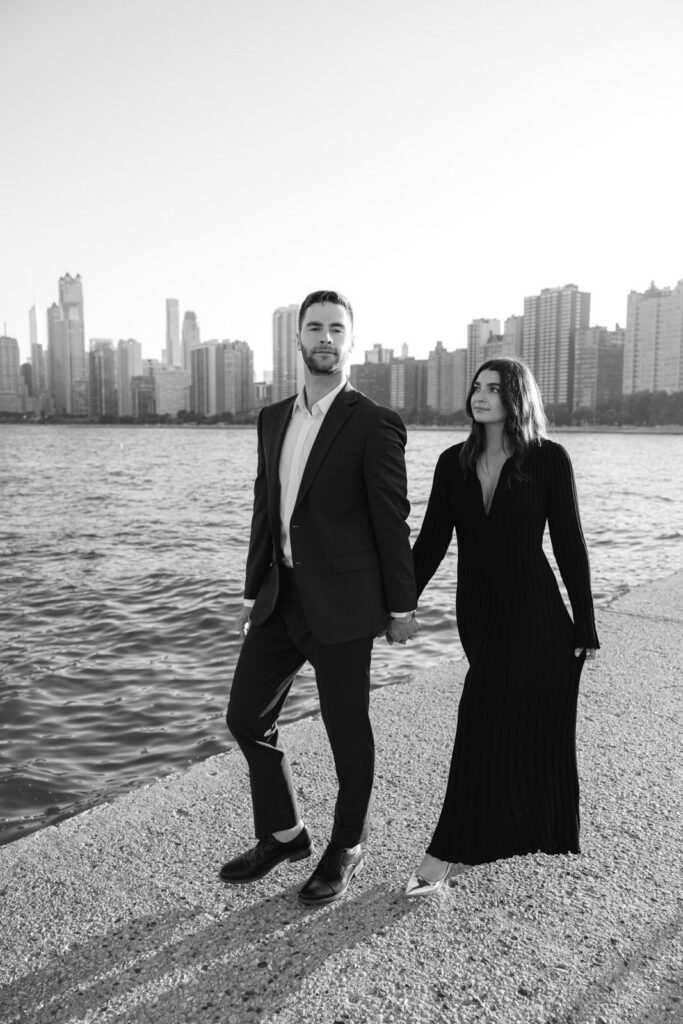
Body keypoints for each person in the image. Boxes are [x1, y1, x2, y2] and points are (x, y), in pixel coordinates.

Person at [220, 289, 419, 907]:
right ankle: (285, 834)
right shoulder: (272, 418)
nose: (325, 338)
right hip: (281, 599)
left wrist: (401, 606)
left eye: (337, 328)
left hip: (344, 605)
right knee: (246, 718)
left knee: (345, 731)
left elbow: (391, 518)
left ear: (350, 341)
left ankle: (346, 846)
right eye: (315, 328)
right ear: (298, 340)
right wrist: (254, 590)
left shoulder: (374, 422)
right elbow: (266, 508)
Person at [405, 358, 599, 896]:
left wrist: (584, 622)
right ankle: (484, 840)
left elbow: (569, 544)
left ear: (517, 396)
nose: (480, 395)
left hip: (537, 613)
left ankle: (445, 854)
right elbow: (430, 544)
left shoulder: (548, 459)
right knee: (496, 723)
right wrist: (400, 607)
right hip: (480, 613)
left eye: (494, 388)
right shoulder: (453, 462)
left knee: (487, 723)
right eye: (476, 387)